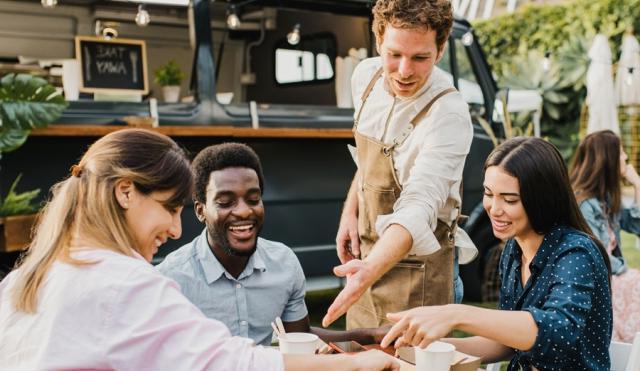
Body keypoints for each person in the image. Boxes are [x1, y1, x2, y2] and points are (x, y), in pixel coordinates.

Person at [0, 129, 398, 371]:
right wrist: (358, 362)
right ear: (125, 192)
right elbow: (229, 363)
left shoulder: (22, 280)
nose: (175, 229)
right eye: (169, 208)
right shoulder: (128, 284)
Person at [379, 137, 613, 370]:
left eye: (510, 199)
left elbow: (558, 333)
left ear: (543, 199)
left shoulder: (575, 253)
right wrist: (424, 346)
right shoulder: (514, 249)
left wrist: (455, 314)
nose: (494, 209)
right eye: (489, 194)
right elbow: (508, 343)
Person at [323, 0, 476, 329]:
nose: (405, 71)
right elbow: (366, 161)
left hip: (422, 276)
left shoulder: (449, 113)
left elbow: (419, 205)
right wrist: (350, 213)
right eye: (394, 54)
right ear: (378, 39)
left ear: (441, 48)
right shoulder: (365, 78)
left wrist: (367, 270)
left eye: (420, 57)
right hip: (366, 263)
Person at [157, 143, 384, 346]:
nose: (244, 210)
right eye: (225, 202)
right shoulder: (172, 278)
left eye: (254, 199)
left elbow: (300, 336)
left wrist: (371, 335)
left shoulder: (283, 263)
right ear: (200, 211)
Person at [570, 129, 640, 343]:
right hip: (600, 281)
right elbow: (597, 257)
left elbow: (637, 225)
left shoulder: (606, 198)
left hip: (615, 279)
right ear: (607, 160)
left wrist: (637, 184)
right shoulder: (583, 204)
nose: (625, 157)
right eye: (620, 153)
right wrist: (625, 272)